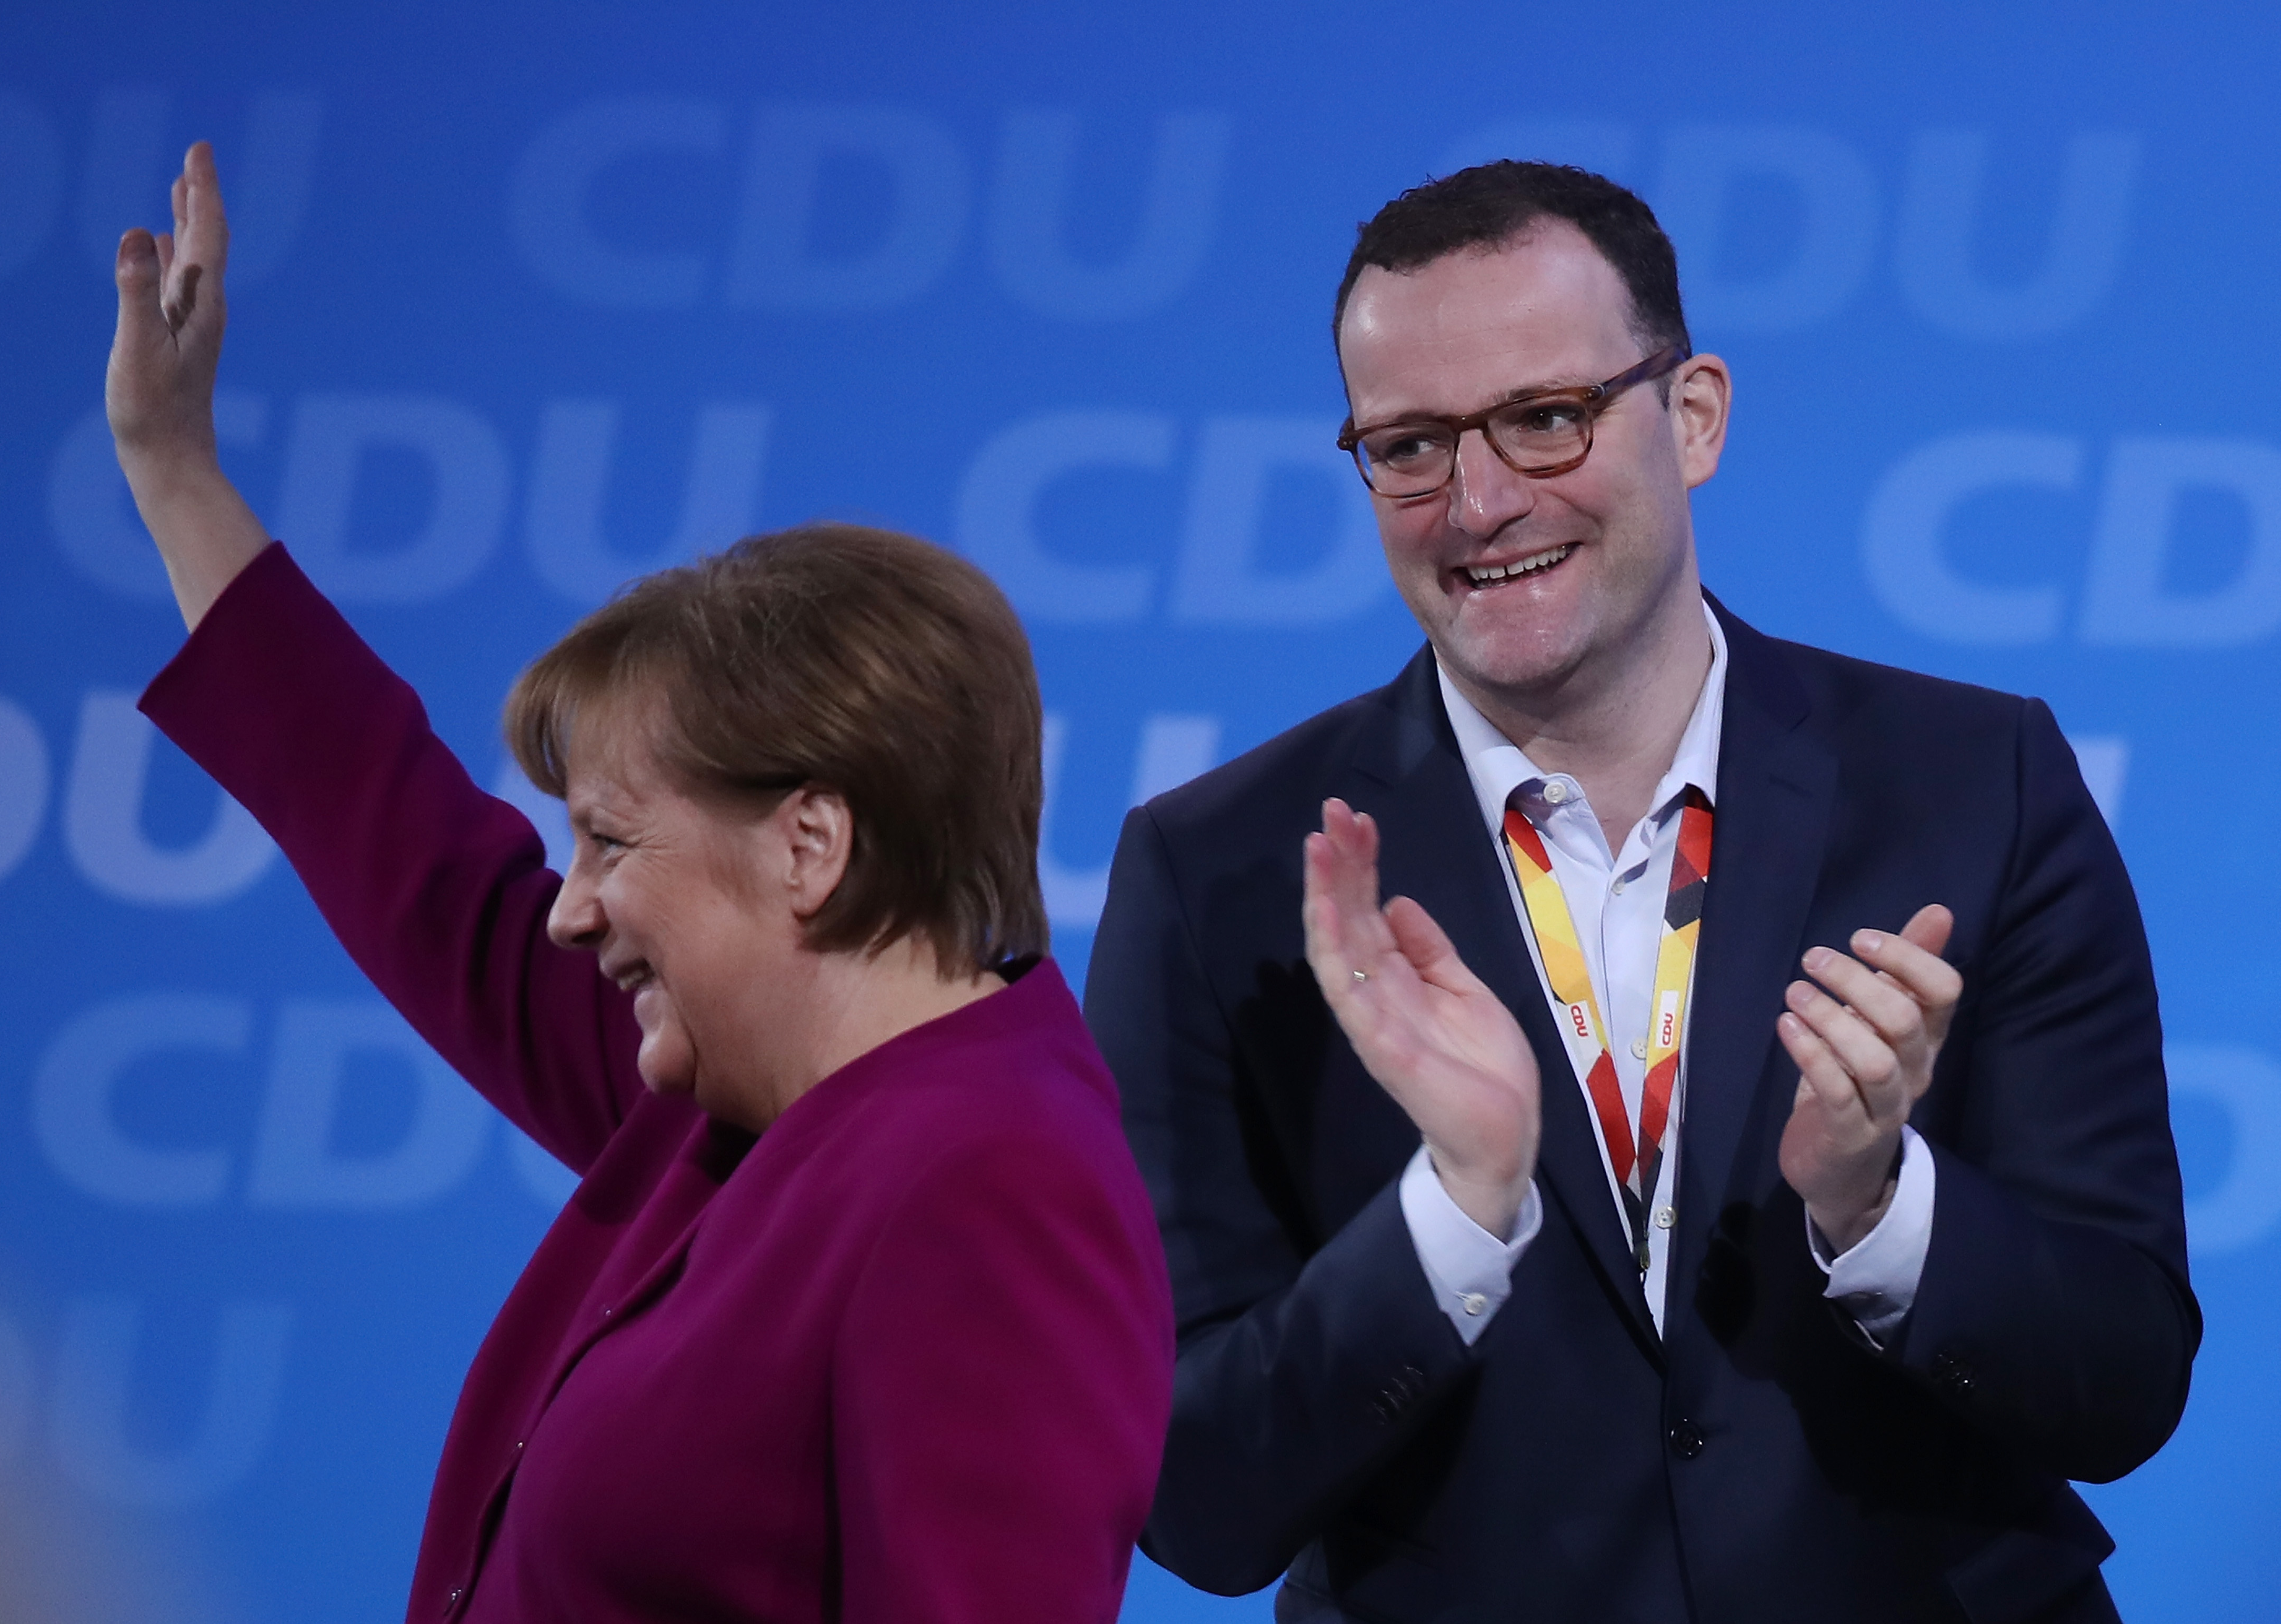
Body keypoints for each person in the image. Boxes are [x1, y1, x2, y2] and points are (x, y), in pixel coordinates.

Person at [1085, 161, 2197, 1622]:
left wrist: (1876, 1207)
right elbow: (1193, 1501)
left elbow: (2121, 1385)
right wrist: (1453, 1217)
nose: (1478, 504)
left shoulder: (1972, 783)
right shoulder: (1222, 874)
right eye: (1408, 446)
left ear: (1692, 416)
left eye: (1544, 420)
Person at [106, 143, 1174, 1623]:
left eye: (611, 842)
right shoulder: (712, 1108)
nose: (567, 904)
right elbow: (410, 850)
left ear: (808, 844)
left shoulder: (992, 1185)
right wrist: (176, 478)